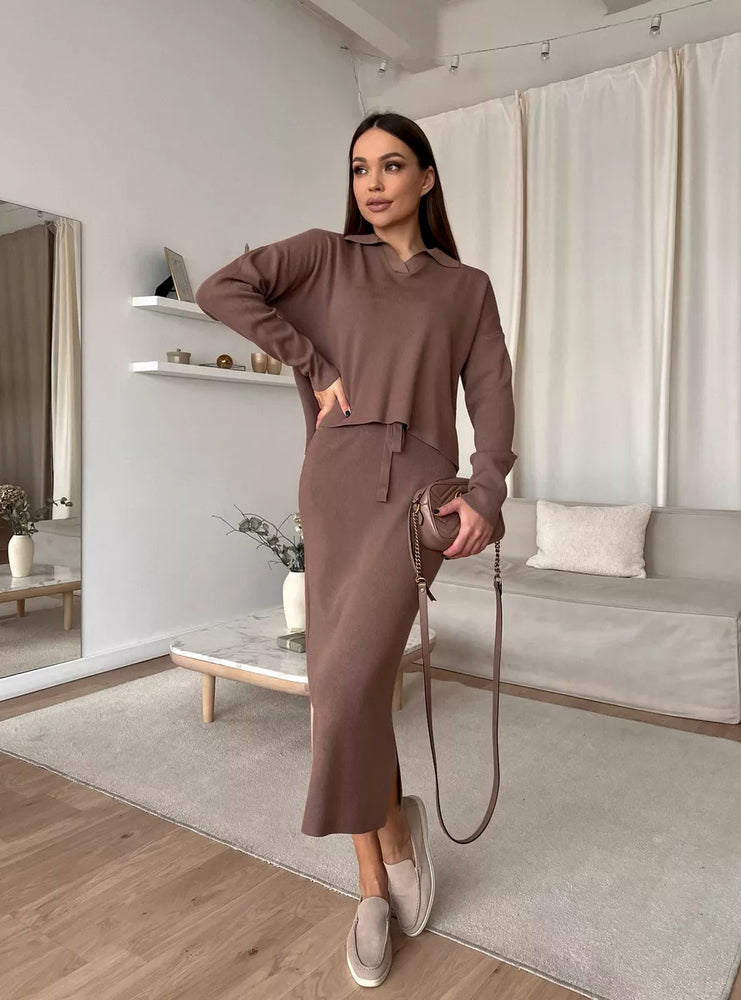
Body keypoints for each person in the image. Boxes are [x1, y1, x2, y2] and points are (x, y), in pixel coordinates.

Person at [195, 110, 517, 988]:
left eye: (392, 165)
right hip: (334, 486)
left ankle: (395, 839)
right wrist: (312, 361)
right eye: (359, 168)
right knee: (349, 687)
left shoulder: (466, 288)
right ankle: (376, 879)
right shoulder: (324, 256)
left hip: (417, 496)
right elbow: (221, 289)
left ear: (427, 178)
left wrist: (487, 490)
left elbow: (492, 396)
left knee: (343, 686)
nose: (372, 183)